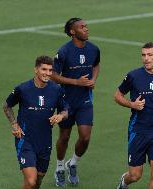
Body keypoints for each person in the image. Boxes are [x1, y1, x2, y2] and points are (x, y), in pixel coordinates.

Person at [115, 42, 153, 189]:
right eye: (143, 55)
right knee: (135, 175)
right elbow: (117, 95)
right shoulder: (133, 76)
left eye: (150, 55)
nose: (146, 58)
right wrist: (132, 104)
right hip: (138, 130)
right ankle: (124, 181)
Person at [3, 56, 68, 189]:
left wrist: (61, 116)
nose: (48, 73)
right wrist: (14, 124)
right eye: (44, 69)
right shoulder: (23, 89)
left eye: (50, 70)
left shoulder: (56, 90)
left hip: (45, 142)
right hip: (25, 140)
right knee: (31, 181)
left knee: (36, 182)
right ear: (36, 70)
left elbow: (66, 110)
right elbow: (7, 105)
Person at [51, 17, 100, 186]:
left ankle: (72, 163)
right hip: (65, 102)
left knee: (85, 137)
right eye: (82, 27)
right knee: (64, 137)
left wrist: (93, 79)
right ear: (73, 32)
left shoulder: (94, 49)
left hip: (85, 100)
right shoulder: (64, 52)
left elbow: (96, 65)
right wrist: (76, 82)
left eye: (86, 26)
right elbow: (53, 76)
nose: (86, 29)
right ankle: (59, 168)